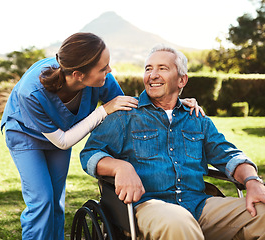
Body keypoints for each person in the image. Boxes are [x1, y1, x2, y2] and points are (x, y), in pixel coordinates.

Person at [1, 33, 202, 240]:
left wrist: (176, 102)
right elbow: (62, 141)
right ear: (79, 75)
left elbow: (132, 111)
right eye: (103, 67)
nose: (110, 70)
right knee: (41, 201)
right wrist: (103, 110)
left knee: (56, 202)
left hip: (62, 133)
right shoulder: (31, 92)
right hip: (26, 135)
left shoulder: (103, 79)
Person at [80, 44, 265, 240]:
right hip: (148, 206)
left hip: (199, 205)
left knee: (261, 212)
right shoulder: (125, 115)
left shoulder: (197, 119)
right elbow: (90, 154)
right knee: (179, 222)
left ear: (182, 80)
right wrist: (120, 167)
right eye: (148, 69)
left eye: (162, 68)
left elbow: (229, 155)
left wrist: (252, 181)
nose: (153, 75)